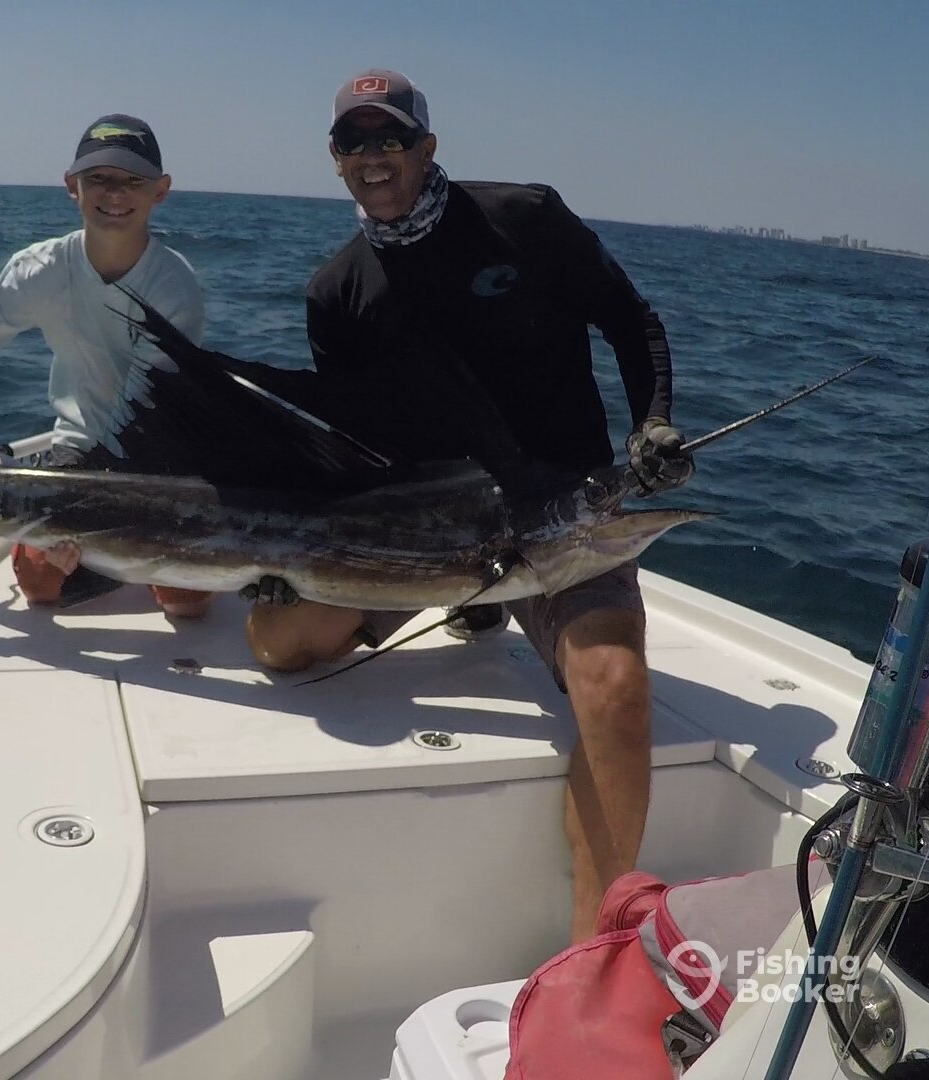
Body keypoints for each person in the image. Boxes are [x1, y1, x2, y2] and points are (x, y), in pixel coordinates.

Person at [245, 69, 694, 942]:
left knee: (616, 685)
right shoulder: (336, 292)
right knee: (278, 644)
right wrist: (303, 552)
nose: (372, 158)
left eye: (388, 138)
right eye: (352, 142)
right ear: (334, 161)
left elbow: (632, 321)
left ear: (426, 147)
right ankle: (468, 605)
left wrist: (656, 421)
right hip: (429, 533)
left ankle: (591, 958)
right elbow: (355, 445)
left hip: (561, 514)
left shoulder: (524, 219)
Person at [0, 114, 214, 617]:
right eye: (100, 179)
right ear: (73, 187)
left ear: (161, 190)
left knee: (187, 602)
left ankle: (113, 564)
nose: (115, 194)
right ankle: (99, 562)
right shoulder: (41, 271)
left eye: (133, 180)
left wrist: (78, 518)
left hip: (159, 463)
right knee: (41, 585)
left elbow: (141, 417)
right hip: (77, 456)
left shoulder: (174, 287)